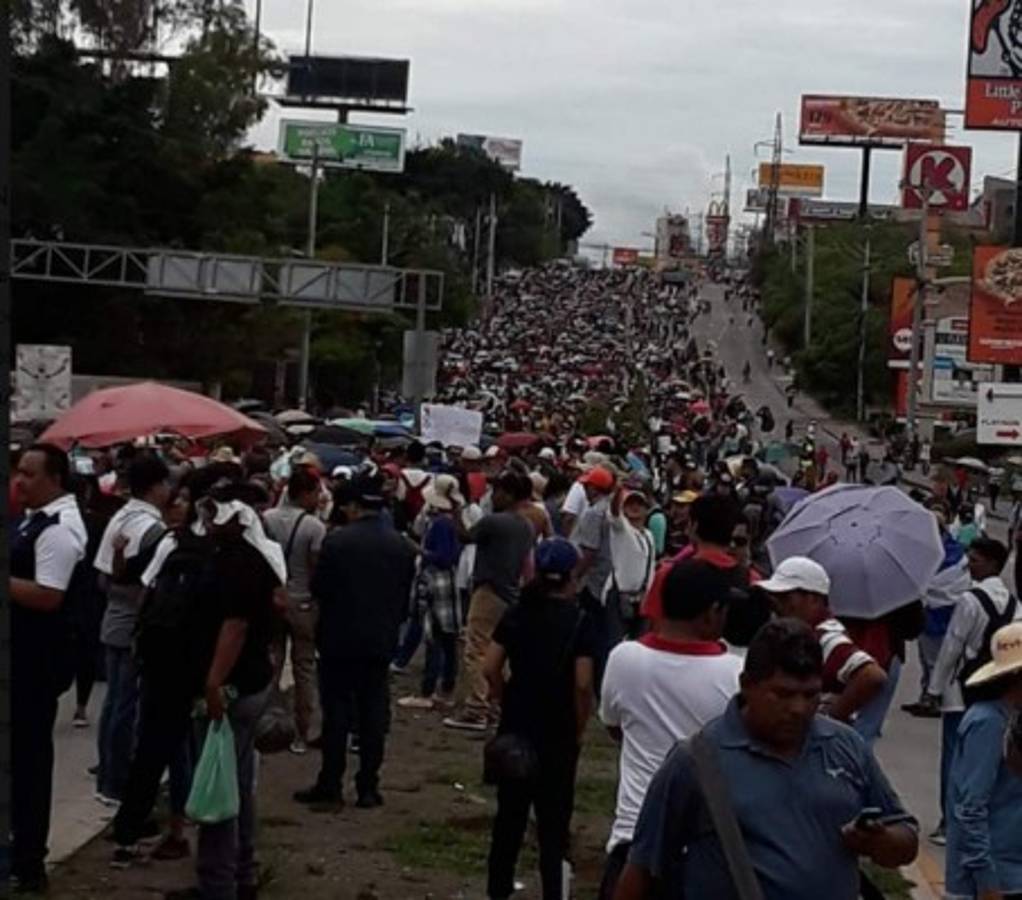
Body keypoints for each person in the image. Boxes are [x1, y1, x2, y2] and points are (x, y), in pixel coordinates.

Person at [613, 618, 918, 900]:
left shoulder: (845, 746)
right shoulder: (696, 761)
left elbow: (905, 840)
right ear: (747, 685)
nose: (798, 709)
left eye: (810, 695)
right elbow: (641, 868)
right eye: (783, 695)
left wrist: (880, 841)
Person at [162, 489, 285, 900]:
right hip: (249, 684)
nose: (209, 520)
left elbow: (235, 626)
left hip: (230, 689)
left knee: (217, 788)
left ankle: (217, 885)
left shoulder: (234, 563)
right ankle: (242, 874)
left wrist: (214, 682)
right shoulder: (257, 557)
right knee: (238, 785)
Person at [598, 560, 743, 900]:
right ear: (711, 613)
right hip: (705, 846)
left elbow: (614, 727)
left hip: (632, 841)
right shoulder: (737, 674)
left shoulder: (624, 659)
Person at [484, 539, 596, 900]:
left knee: (508, 822)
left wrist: (503, 698)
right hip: (559, 731)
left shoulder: (518, 612)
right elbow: (582, 683)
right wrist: (580, 725)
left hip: (517, 726)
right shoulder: (579, 621)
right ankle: (553, 892)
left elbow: (489, 666)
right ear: (570, 575)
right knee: (553, 828)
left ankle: (497, 891)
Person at [295, 474, 416, 809]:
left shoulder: (338, 542)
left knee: (337, 713)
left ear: (352, 506)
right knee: (373, 713)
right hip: (381, 638)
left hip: (339, 637)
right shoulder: (400, 545)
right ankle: (368, 786)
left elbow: (320, 588)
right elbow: (404, 597)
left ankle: (331, 784)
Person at [9, 444, 88, 894]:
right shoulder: (33, 520)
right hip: (23, 656)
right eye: (18, 473)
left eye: (29, 474)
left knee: (30, 761)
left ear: (54, 479)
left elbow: (48, 594)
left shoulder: (57, 528)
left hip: (35, 662)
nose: (20, 482)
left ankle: (29, 858)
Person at [925, 537, 1019, 846]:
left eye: (975, 560)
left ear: (993, 564)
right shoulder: (1016, 606)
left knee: (954, 756)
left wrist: (935, 687)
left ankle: (949, 823)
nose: (969, 564)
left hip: (960, 690)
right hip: (997, 688)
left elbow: (952, 645)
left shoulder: (969, 601)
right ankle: (980, 820)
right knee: (989, 758)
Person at [93, 455, 171, 805]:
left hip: (112, 615)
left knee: (114, 704)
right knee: (125, 706)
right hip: (131, 622)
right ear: (156, 487)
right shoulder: (151, 528)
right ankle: (117, 780)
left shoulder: (120, 517)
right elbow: (143, 582)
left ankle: (108, 775)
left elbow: (103, 575)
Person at [445, 470, 536, 732]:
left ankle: (477, 708)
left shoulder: (495, 522)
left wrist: (455, 510)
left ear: (508, 494)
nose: (493, 496)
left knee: (476, 648)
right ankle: (496, 704)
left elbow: (465, 536)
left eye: (497, 491)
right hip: (510, 591)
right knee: (499, 652)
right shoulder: (526, 524)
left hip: (489, 590)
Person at [757, 556, 888, 724]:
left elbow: (872, 675)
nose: (777, 604)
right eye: (775, 596)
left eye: (786, 597)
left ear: (813, 599)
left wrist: (831, 717)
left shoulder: (825, 637)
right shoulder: (803, 632)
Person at [944, 622, 1022, 900]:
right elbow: (970, 808)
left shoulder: (1013, 719)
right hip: (990, 881)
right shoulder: (987, 723)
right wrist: (986, 882)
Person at [262, 466, 327, 755]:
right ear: (305, 493)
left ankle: (266, 725)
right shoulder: (314, 527)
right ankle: (302, 732)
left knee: (271, 664)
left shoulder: (267, 519)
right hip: (303, 602)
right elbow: (316, 567)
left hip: (274, 600)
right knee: (304, 668)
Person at [397, 474, 464, 710]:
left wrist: (419, 550)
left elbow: (444, 558)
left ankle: (428, 690)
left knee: (434, 636)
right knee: (446, 638)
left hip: (436, 580)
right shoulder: (449, 521)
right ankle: (446, 688)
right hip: (444, 581)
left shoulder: (441, 524)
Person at [574, 466, 618, 687]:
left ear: (595, 488)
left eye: (587, 485)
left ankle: (596, 682)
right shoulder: (613, 508)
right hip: (611, 577)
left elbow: (589, 552)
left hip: (595, 581)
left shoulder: (594, 513)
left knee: (594, 635)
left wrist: (574, 577)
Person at [605, 488, 656, 643]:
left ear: (647, 509)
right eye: (630, 504)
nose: (635, 507)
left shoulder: (648, 535)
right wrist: (618, 491)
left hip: (641, 598)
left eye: (639, 504)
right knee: (616, 643)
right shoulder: (621, 529)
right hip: (620, 595)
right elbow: (614, 513)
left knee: (640, 645)